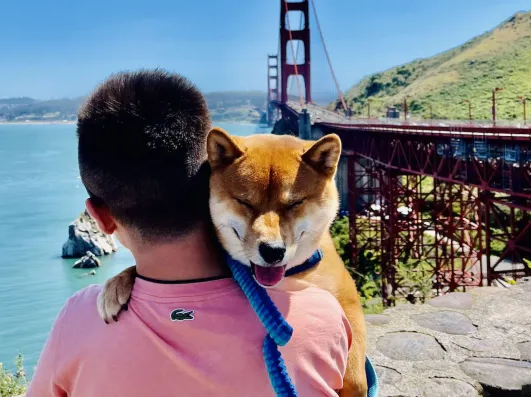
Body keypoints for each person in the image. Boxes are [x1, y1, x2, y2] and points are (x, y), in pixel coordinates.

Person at [26, 69, 352, 397]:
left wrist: (135, 279)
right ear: (208, 185)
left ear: (100, 218)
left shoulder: (79, 321)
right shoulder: (321, 318)